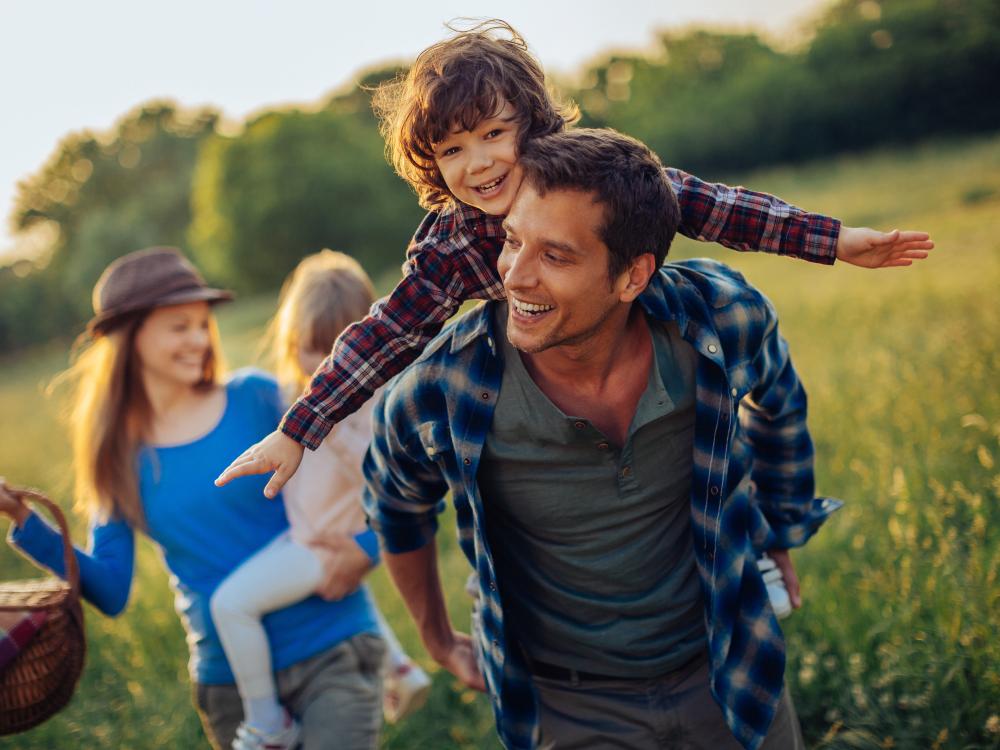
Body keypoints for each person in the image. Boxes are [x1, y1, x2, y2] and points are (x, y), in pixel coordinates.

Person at [214, 19, 932, 499]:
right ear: (431, 163)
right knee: (490, 418)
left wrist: (834, 241)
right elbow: (388, 331)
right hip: (539, 370)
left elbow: (709, 205)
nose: (479, 163)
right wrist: (297, 429)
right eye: (451, 150)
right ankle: (505, 561)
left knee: (699, 408)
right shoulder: (451, 240)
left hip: (634, 328)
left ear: (529, 122)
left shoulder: (589, 173)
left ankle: (746, 531)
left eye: (493, 133)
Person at [362, 128, 843, 750]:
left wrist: (780, 520)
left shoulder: (721, 317)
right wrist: (434, 637)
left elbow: (778, 402)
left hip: (730, 666)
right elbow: (394, 504)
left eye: (556, 256)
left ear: (632, 275)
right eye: (512, 241)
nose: (516, 276)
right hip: (566, 707)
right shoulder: (442, 385)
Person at [0, 247, 384, 750]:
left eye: (203, 324)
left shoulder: (258, 397)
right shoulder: (116, 458)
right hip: (230, 686)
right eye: (180, 327)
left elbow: (377, 474)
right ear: (129, 338)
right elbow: (112, 590)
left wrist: (366, 550)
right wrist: (24, 520)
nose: (201, 340)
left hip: (332, 648)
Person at [209, 249, 430, 744]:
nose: (324, 364)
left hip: (323, 544)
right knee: (353, 592)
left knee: (231, 605)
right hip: (310, 534)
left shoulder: (368, 408)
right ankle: (400, 668)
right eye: (312, 347)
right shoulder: (294, 391)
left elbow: (391, 478)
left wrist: (337, 430)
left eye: (340, 349)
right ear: (291, 340)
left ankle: (267, 721)